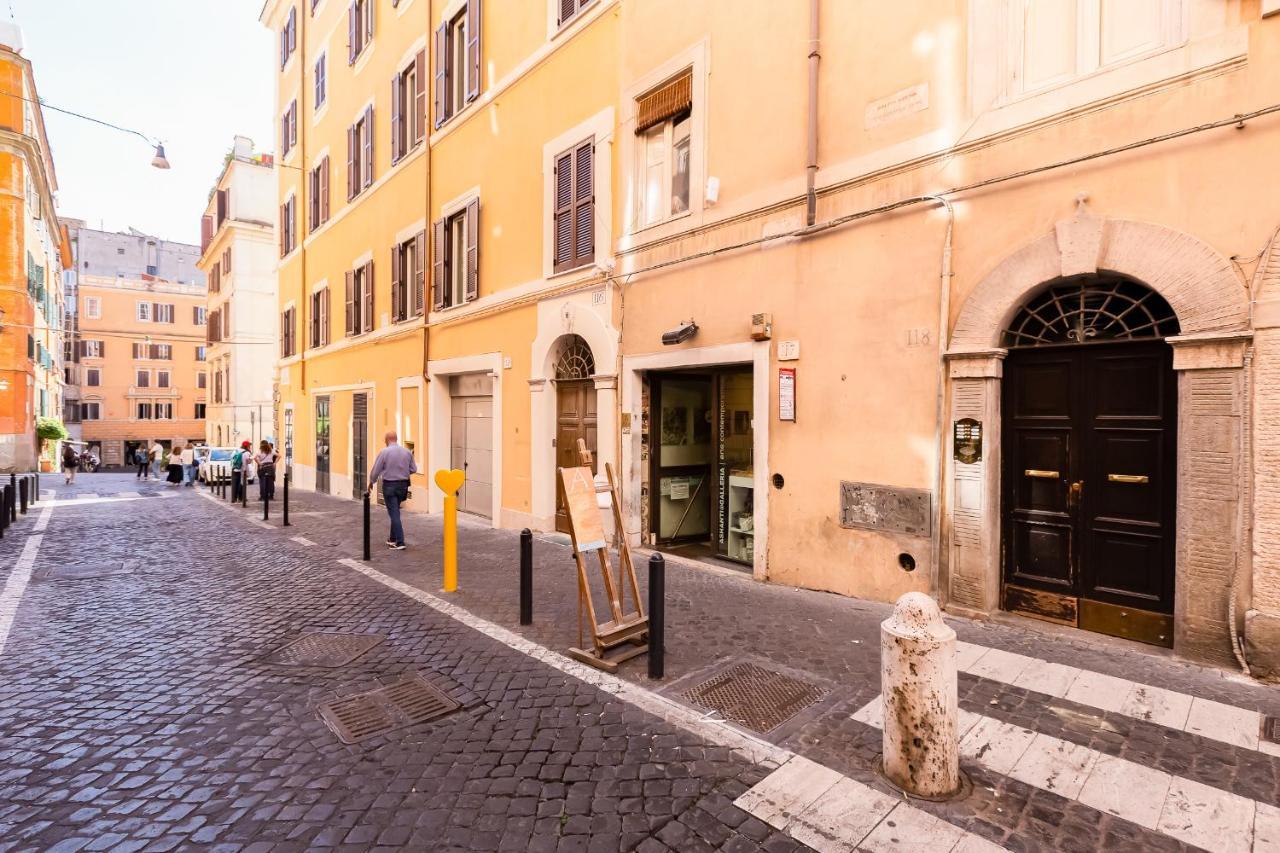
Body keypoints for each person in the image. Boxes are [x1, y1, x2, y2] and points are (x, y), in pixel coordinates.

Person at [367, 430, 417, 550]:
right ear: (396, 439)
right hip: (403, 486)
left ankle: (400, 542)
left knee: (394, 513)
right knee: (395, 511)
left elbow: (376, 470)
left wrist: (371, 482)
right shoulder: (407, 452)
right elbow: (414, 469)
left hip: (390, 486)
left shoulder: (384, 452)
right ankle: (392, 538)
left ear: (387, 440)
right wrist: (403, 473)